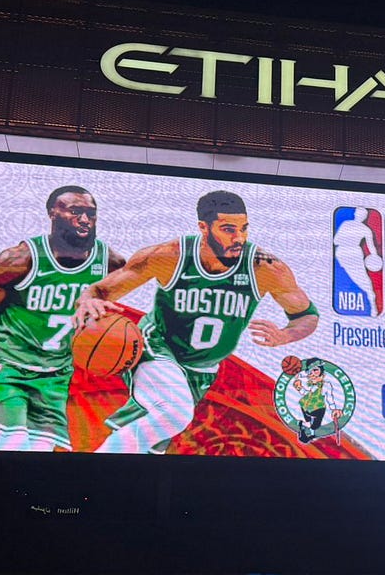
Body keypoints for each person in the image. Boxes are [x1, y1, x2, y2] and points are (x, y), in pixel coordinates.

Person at [75, 189, 319, 454]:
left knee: (152, 444)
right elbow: (99, 291)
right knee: (175, 413)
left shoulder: (265, 267)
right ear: (204, 227)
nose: (238, 238)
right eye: (228, 229)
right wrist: (88, 300)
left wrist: (286, 335)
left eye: (243, 229)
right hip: (156, 347)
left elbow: (307, 316)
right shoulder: (169, 256)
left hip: (201, 371)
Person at [0, 185, 126, 451]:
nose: (84, 219)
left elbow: (106, 324)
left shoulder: (111, 264)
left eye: (91, 213)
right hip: (5, 366)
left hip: (54, 377)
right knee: (10, 445)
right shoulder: (18, 260)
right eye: (75, 212)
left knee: (35, 456)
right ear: (52, 213)